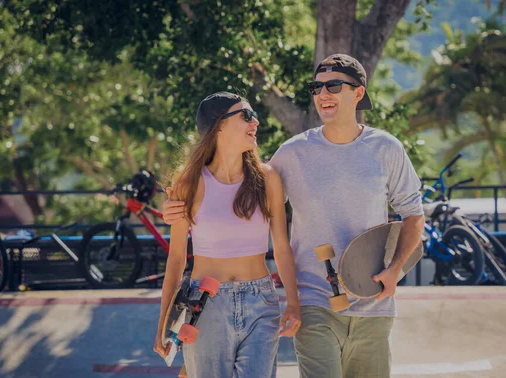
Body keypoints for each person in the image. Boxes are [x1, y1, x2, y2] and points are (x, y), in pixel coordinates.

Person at [162, 54, 425, 378]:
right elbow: (237, 194)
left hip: (372, 303)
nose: (322, 94)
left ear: (358, 93)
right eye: (316, 87)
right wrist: (177, 208)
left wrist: (394, 269)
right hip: (312, 302)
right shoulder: (292, 153)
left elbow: (413, 214)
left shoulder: (386, 148)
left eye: (333, 85)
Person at [153, 91, 301, 378]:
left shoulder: (268, 178)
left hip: (261, 302)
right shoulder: (189, 182)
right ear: (218, 126)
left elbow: (282, 248)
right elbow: (176, 259)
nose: (255, 121)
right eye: (246, 115)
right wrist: (164, 322)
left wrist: (293, 303)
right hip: (204, 304)